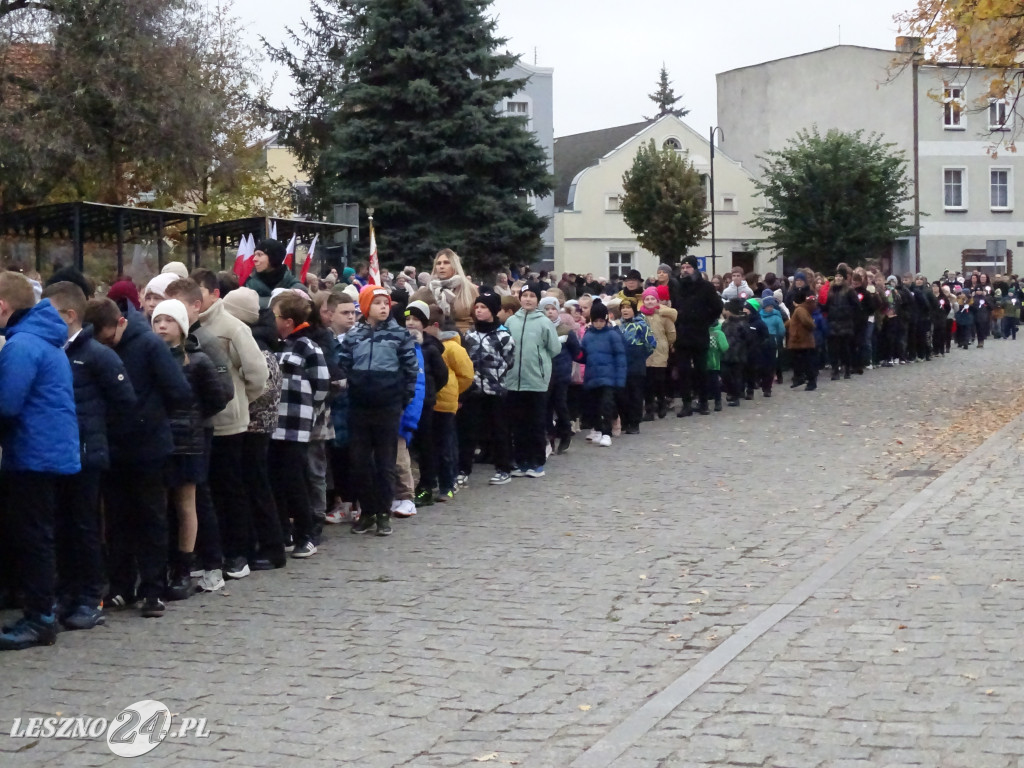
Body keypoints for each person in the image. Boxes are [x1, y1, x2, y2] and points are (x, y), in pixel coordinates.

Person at [84, 296, 192, 619]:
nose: (105, 346)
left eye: (108, 339)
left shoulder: (148, 345)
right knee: (117, 520)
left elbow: (179, 391)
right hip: (114, 447)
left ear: (120, 323)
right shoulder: (103, 346)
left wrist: (150, 416)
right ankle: (120, 586)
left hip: (148, 447)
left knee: (151, 518)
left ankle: (153, 588)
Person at [42, 282, 136, 631]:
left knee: (84, 526)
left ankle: (90, 596)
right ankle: (66, 591)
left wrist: (95, 432)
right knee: (62, 526)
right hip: (58, 452)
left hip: (86, 453)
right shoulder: (54, 350)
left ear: (70, 315)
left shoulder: (97, 354)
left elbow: (124, 401)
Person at [0, 273, 80, 650]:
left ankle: (40, 618)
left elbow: (7, 404)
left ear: (3, 306)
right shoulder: (44, 339)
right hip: (48, 451)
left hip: (33, 454)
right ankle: (40, 611)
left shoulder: (22, 345)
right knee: (40, 535)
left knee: (33, 537)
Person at [151, 299, 233, 601]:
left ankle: (184, 567)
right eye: (157, 321)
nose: (161, 326)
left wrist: (193, 417)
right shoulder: (150, 356)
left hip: (188, 441)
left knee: (187, 504)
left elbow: (217, 396)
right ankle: (158, 567)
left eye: (168, 321)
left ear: (182, 326)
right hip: (158, 441)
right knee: (159, 506)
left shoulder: (196, 360)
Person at [191, 269, 269, 580]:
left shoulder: (232, 328)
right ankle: (210, 551)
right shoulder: (186, 328)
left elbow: (257, 374)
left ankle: (239, 552)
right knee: (204, 492)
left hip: (229, 423)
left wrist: (239, 402)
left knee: (230, 488)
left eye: (199, 294)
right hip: (202, 424)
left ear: (213, 294)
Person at [340, 285, 419, 536]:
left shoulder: (399, 335)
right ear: (365, 307)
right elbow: (343, 365)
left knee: (385, 462)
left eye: (386, 303)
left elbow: (411, 370)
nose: (384, 307)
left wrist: (402, 398)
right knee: (360, 463)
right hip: (359, 407)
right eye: (377, 303)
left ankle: (384, 512)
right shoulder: (354, 335)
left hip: (388, 406)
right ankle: (368, 511)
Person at [221, 287, 287, 571]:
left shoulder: (254, 344)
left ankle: (272, 548)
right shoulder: (260, 341)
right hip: (257, 424)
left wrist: (242, 404)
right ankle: (264, 544)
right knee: (254, 485)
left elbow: (261, 385)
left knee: (256, 486)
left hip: (254, 426)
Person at [267, 291, 330, 555]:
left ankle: (307, 532)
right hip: (275, 423)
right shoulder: (279, 344)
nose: (273, 320)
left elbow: (322, 385)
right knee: (276, 479)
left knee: (295, 478)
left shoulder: (307, 346)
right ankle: (284, 531)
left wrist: (307, 409)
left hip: (295, 424)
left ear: (289, 321)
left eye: (276, 316)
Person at [504, 283, 561, 477]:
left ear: (537, 300)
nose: (528, 299)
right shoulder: (512, 321)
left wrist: (538, 361)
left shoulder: (544, 322)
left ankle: (536, 462)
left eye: (532, 296)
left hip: (536, 380)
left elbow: (554, 348)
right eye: (524, 295)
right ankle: (521, 461)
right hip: (514, 380)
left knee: (535, 422)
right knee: (518, 424)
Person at [460, 292, 515, 485]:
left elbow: (509, 361)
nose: (479, 311)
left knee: (499, 430)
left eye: (483, 307)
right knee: (469, 431)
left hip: (496, 390)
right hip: (473, 389)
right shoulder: (470, 335)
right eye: (477, 308)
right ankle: (463, 469)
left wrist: (495, 376)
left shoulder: (503, 335)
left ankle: (503, 468)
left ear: (492, 310)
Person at [404, 301, 449, 509]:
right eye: (408, 319)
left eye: (415, 319)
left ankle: (427, 485)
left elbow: (442, 376)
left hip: (425, 402)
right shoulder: (402, 343)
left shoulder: (431, 348)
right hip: (406, 401)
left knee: (426, 444)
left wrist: (429, 392)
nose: (411, 323)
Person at [670, 256, 722, 416]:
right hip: (682, 333)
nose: (685, 270)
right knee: (684, 370)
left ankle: (703, 402)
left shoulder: (705, 286)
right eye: (683, 267)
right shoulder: (677, 286)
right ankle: (686, 403)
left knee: (701, 369)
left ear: (695, 268)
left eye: (688, 267)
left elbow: (717, 306)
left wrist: (704, 319)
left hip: (699, 332)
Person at [434, 318, 474, 501]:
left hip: (446, 400)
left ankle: (448, 482)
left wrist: (455, 391)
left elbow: (466, 375)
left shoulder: (453, 348)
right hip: (433, 400)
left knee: (446, 442)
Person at [579, 300, 625, 447]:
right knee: (594, 406)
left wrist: (620, 380)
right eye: (596, 321)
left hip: (609, 378)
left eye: (601, 321)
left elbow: (621, 358)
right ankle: (598, 429)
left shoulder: (613, 335)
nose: (598, 324)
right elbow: (583, 356)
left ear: (606, 320)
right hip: (592, 377)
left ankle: (606, 432)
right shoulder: (587, 336)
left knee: (607, 405)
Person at [541, 296, 581, 455]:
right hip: (544, 374)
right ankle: (549, 437)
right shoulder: (540, 329)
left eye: (553, 309)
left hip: (560, 373)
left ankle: (565, 434)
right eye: (546, 309)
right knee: (545, 407)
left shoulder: (565, 330)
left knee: (560, 404)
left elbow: (576, 351)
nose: (550, 312)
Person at [410, 248, 480, 334]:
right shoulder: (427, 291)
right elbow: (410, 315)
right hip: (432, 337)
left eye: (446, 263)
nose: (441, 266)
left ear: (455, 266)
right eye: (438, 263)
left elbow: (479, 319)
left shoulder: (469, 290)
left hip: (463, 336)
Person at [616, 296, 656, 433]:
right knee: (623, 394)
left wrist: (640, 355)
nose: (625, 310)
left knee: (635, 394)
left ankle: (634, 423)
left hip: (636, 364)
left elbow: (651, 344)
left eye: (628, 308)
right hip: (622, 364)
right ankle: (625, 421)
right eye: (623, 308)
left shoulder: (641, 325)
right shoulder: (618, 326)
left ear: (634, 310)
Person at [640, 285, 676, 420]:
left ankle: (661, 404)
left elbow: (671, 333)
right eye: (647, 299)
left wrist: (667, 343)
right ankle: (649, 409)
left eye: (652, 299)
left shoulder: (664, 316)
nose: (650, 301)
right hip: (646, 352)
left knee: (659, 380)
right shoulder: (641, 316)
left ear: (657, 301)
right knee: (647, 382)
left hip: (660, 350)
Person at [245, 238, 301, 309]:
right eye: (254, 255)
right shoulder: (249, 285)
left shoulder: (296, 288)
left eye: (259, 255)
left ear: (273, 258)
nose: (254, 259)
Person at [786, 288, 818, 391]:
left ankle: (811, 382)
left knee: (806, 362)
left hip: (801, 341)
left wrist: (812, 326)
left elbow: (807, 322)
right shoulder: (801, 309)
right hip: (801, 341)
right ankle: (800, 378)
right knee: (799, 362)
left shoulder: (800, 309)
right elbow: (792, 322)